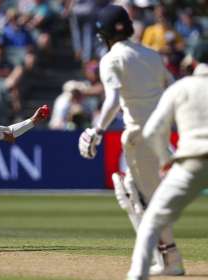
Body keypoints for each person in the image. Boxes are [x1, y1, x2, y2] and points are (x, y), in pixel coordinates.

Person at [77, 5, 184, 276]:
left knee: (137, 198)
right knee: (139, 195)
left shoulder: (111, 59)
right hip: (160, 136)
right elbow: (173, 87)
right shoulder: (151, 55)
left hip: (138, 136)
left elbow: (112, 99)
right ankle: (168, 258)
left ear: (103, 34)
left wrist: (97, 131)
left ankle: (167, 261)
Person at [126, 41, 208, 280]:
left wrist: (166, 159)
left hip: (191, 161)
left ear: (192, 62)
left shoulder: (181, 87)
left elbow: (152, 130)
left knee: (151, 222)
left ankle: (137, 276)